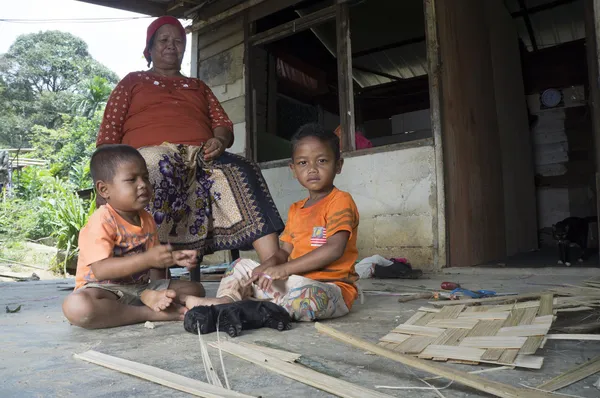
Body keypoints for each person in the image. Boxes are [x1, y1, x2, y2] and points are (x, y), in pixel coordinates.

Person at [96, 16, 284, 269]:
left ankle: (273, 264)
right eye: (163, 40)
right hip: (149, 154)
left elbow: (223, 123)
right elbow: (109, 132)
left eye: (178, 41)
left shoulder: (198, 86)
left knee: (242, 170)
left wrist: (218, 139)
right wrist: (104, 177)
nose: (171, 45)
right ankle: (151, 273)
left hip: (201, 155)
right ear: (149, 49)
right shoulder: (132, 82)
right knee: (154, 165)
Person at [186, 124, 360, 321]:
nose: (312, 169)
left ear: (338, 165)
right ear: (293, 169)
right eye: (303, 163)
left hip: (330, 288)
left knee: (310, 299)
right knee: (240, 266)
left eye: (322, 161)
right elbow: (284, 252)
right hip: (293, 282)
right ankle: (227, 302)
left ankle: (247, 309)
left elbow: (334, 249)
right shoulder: (297, 209)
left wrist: (283, 270)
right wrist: (267, 266)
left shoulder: (340, 200)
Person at [62, 145, 206, 329]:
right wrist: (147, 259)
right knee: (77, 307)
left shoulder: (146, 218)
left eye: (145, 177)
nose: (143, 185)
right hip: (103, 289)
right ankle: (148, 313)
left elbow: (155, 265)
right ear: (104, 189)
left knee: (195, 289)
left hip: (139, 289)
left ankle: (145, 306)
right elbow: (101, 270)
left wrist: (170, 262)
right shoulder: (101, 220)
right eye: (131, 180)